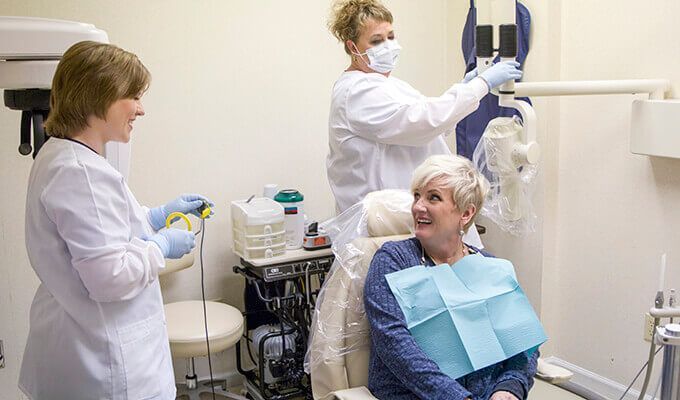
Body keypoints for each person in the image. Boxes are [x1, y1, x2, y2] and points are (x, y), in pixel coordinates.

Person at [18, 41, 212, 400]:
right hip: (103, 365)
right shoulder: (80, 172)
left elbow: (103, 230)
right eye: (133, 96)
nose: (140, 109)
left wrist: (156, 217)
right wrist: (161, 245)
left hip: (79, 347)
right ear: (99, 96)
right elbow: (109, 278)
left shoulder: (62, 156)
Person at [363, 155, 538, 400]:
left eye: (433, 197)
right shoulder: (393, 260)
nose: (418, 207)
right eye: (416, 196)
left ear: (465, 214)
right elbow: (394, 343)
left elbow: (521, 343)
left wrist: (509, 388)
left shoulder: (490, 267)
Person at [326, 0, 523, 215]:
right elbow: (424, 122)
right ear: (352, 47)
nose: (388, 45)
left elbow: (434, 125)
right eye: (376, 41)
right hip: (382, 222)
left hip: (407, 214)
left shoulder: (387, 84)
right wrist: (481, 85)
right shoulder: (356, 91)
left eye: (390, 37)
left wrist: (464, 88)